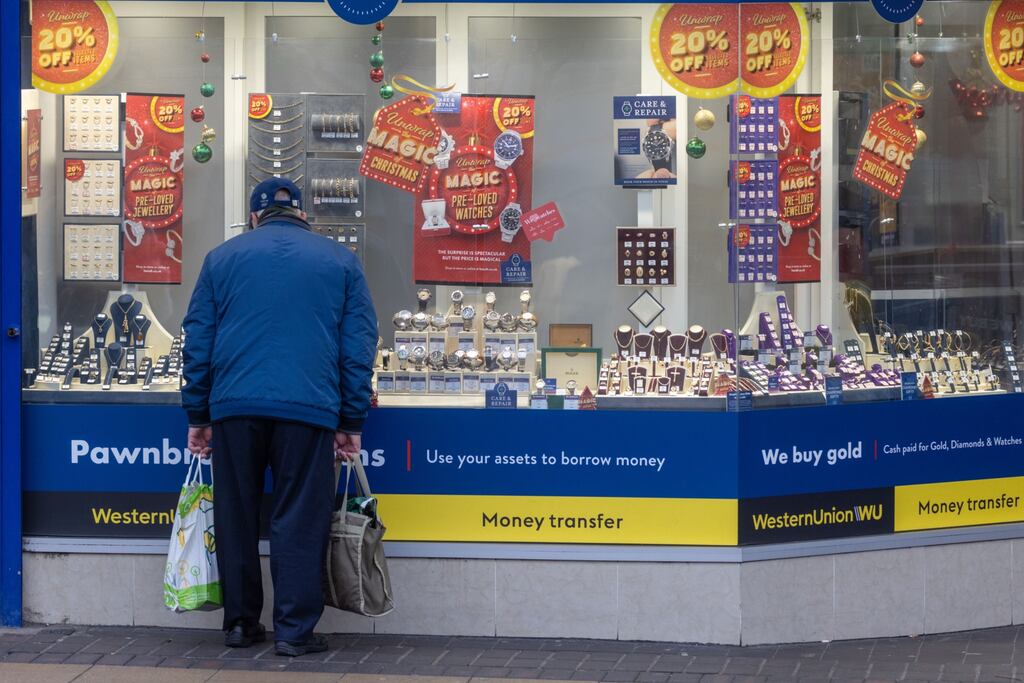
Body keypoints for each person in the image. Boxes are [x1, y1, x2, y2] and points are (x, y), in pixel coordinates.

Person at [181, 177, 378, 656]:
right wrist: (350, 420)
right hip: (308, 409)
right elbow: (358, 347)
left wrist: (198, 411)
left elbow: (198, 340)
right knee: (299, 518)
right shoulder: (341, 262)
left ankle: (240, 623)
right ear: (304, 215)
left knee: (235, 515)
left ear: (254, 217)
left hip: (234, 407)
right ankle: (293, 632)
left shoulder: (221, 260)